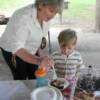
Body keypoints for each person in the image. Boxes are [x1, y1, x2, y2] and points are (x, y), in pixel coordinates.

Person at [0, 0, 64, 80]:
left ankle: (34, 91)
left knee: (34, 74)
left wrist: (41, 54)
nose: (53, 16)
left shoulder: (45, 16)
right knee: (21, 76)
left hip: (29, 48)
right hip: (12, 50)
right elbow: (17, 47)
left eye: (56, 13)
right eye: (51, 11)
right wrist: (39, 60)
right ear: (41, 5)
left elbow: (38, 37)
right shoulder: (23, 17)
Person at [51, 29, 85, 99]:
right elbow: (50, 68)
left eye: (69, 48)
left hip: (72, 83)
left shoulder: (77, 56)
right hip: (59, 83)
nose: (66, 50)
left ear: (74, 45)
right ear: (59, 43)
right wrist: (49, 67)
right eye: (62, 47)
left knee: (71, 97)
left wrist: (78, 76)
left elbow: (81, 69)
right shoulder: (54, 55)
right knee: (58, 97)